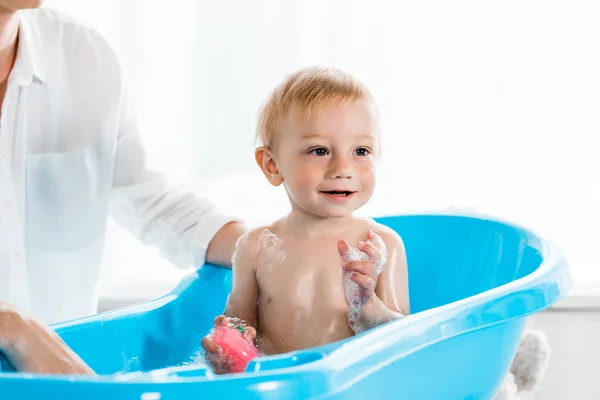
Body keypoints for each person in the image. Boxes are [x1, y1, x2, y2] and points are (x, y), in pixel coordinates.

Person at [0, 2, 246, 374]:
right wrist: (11, 324)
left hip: (66, 378)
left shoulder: (84, 56)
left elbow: (144, 195)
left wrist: (267, 247)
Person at [201, 66, 410, 373]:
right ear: (272, 165)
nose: (343, 168)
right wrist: (226, 347)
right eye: (320, 150)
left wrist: (367, 308)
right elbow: (241, 327)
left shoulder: (379, 245)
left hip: (355, 387)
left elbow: (404, 339)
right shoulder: (256, 247)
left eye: (361, 150)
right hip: (281, 388)